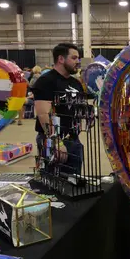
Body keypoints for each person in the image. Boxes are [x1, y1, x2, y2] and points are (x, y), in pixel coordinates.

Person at [32, 43, 84, 175]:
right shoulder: (46, 81)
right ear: (61, 59)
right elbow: (43, 114)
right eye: (74, 58)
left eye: (78, 58)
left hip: (73, 139)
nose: (77, 62)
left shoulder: (76, 83)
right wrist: (57, 142)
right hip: (52, 140)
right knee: (53, 182)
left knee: (73, 181)